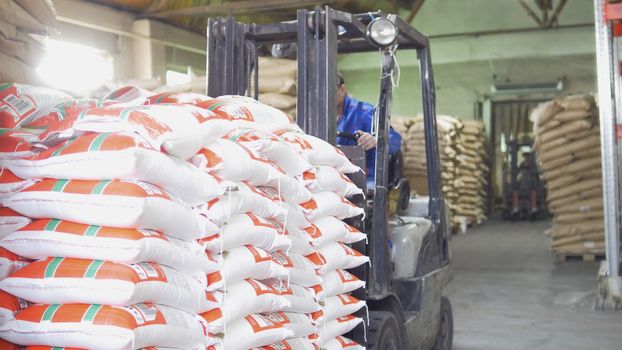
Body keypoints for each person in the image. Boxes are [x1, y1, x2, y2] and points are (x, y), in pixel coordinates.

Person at [335, 72, 402, 181]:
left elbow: (395, 139)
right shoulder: (317, 118)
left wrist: (375, 140)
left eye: (328, 92)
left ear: (342, 90)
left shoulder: (365, 112)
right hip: (333, 177)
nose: (323, 98)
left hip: (366, 178)